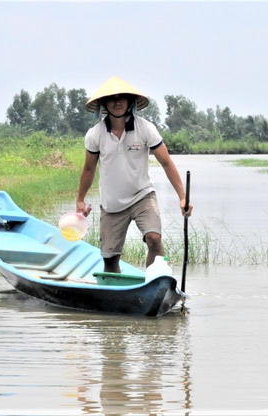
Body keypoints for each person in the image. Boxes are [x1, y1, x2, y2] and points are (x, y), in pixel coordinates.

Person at [76, 75, 193, 273]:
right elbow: (89, 169)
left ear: (130, 102)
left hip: (142, 196)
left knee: (154, 238)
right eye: (112, 98)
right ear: (104, 104)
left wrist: (183, 197)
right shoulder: (95, 134)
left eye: (122, 97)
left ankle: (155, 281)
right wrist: (80, 200)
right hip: (112, 203)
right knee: (110, 260)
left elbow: (166, 162)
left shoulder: (145, 128)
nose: (117, 102)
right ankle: (114, 294)